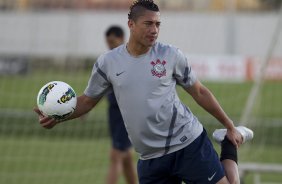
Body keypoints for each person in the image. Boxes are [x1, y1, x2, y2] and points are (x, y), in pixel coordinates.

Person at [34, 0, 253, 183]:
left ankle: (228, 140)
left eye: (158, 24)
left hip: (187, 143)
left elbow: (199, 92)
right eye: (148, 23)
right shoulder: (107, 63)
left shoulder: (170, 55)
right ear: (131, 24)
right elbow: (87, 101)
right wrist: (59, 117)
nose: (154, 30)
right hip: (150, 158)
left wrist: (229, 125)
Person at [104, 25, 137, 184]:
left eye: (113, 41)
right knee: (127, 157)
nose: (110, 45)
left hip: (127, 114)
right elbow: (99, 88)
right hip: (114, 113)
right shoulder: (109, 60)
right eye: (108, 42)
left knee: (116, 155)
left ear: (122, 38)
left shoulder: (131, 58)